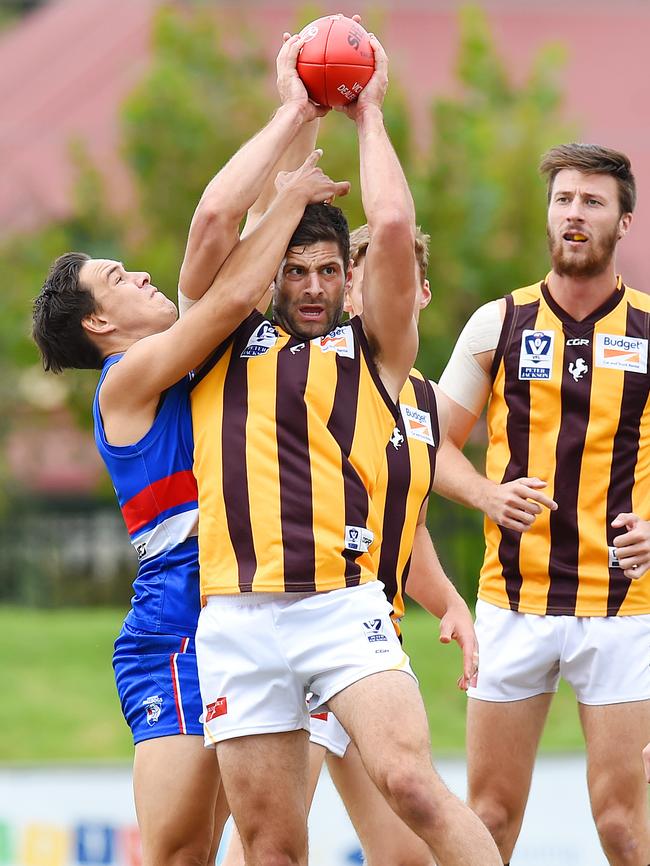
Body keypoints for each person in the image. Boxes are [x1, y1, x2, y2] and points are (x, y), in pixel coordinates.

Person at [190, 29, 501, 866]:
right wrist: (293, 109)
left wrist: (369, 115)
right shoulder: (222, 335)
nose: (317, 287)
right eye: (297, 271)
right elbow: (220, 216)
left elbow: (393, 223)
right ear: (271, 276)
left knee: (410, 785)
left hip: (341, 604)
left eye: (330, 270)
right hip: (237, 613)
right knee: (272, 846)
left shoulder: (377, 351)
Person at [31, 51, 348, 865]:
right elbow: (237, 278)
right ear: (99, 325)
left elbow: (227, 241)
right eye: (118, 279)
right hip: (178, 613)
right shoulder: (127, 378)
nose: (139, 274)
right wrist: (290, 185)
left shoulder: (191, 356)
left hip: (255, 591)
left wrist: (301, 117)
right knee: (177, 851)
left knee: (254, 841)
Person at [220, 225, 479, 866]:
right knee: (272, 842)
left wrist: (448, 600)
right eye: (350, 274)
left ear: (418, 293)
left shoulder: (418, 397)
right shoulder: (314, 369)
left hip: (365, 629)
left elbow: (406, 519)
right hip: (294, 613)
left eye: (364, 274)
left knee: (405, 848)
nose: (356, 288)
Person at [434, 142, 650, 866]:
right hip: (512, 606)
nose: (575, 215)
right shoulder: (496, 324)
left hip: (623, 610)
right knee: (489, 818)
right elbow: (426, 449)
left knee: (622, 826)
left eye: (593, 202)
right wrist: (488, 495)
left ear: (624, 220)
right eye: (564, 200)